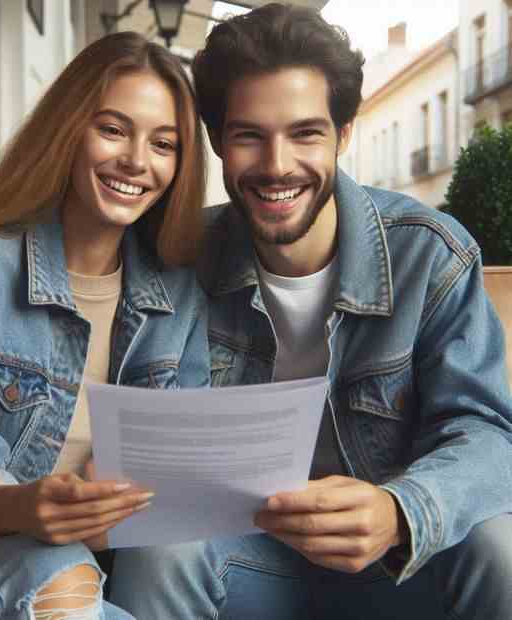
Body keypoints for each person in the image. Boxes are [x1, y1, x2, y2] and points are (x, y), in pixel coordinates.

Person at [109, 5, 512, 618]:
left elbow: (486, 433)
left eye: (305, 133)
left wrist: (401, 508)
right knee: (159, 547)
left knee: (501, 546)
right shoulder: (180, 256)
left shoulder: (430, 253)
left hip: (405, 562)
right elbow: (156, 440)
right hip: (246, 558)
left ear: (343, 134)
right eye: (249, 135)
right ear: (217, 141)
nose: (277, 165)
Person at [0, 31, 209, 620]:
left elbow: (181, 470)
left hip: (98, 575)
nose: (136, 161)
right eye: (113, 129)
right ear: (69, 131)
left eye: (163, 143)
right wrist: (26, 507)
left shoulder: (179, 295)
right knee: (57, 570)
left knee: (162, 552)